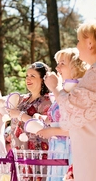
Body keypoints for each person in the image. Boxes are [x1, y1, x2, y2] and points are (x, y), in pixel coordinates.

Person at [45, 18, 96, 181]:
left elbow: (71, 110)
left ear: (90, 43)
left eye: (78, 40)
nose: (77, 46)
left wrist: (55, 88)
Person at [36, 48, 87, 181]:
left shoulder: (80, 89)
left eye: (62, 63)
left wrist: (54, 87)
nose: (57, 67)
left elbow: (80, 127)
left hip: (71, 149)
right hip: (58, 149)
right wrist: (44, 119)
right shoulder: (64, 89)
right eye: (57, 63)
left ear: (76, 66)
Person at [8, 62, 52, 179]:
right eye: (27, 76)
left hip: (37, 154)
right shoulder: (23, 99)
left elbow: (43, 126)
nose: (28, 79)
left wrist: (20, 115)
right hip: (20, 154)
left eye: (33, 76)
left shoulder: (47, 101)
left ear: (43, 79)